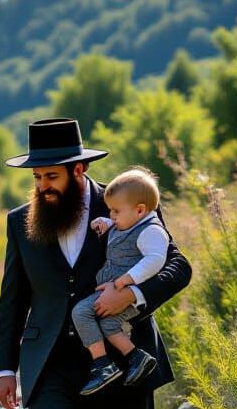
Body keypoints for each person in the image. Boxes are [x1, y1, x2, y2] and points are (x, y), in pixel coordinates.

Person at [0, 118, 191, 409]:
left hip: (120, 358)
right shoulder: (19, 222)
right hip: (48, 363)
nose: (42, 186)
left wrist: (134, 294)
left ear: (78, 172)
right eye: (37, 177)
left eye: (51, 176)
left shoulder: (127, 202)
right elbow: (13, 298)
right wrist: (5, 368)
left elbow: (177, 267)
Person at [70, 167, 168, 396]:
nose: (112, 215)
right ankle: (137, 357)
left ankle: (102, 364)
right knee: (108, 324)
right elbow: (122, 224)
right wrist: (106, 222)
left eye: (115, 211)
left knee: (81, 312)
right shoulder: (131, 220)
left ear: (140, 210)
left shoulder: (151, 231)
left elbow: (156, 259)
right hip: (113, 289)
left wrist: (126, 281)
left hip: (124, 292)